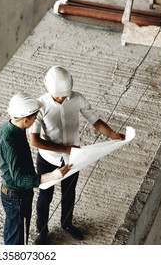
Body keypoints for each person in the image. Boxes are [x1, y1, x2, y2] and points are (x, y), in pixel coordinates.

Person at [30, 66, 125, 245]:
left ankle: (67, 224)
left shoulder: (77, 99)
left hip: (73, 158)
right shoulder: (40, 105)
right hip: (48, 159)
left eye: (65, 94)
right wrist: (64, 149)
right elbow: (34, 140)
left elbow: (95, 120)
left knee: (69, 193)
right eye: (59, 96)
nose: (63, 98)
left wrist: (112, 134)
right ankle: (42, 232)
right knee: (45, 197)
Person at [0, 92, 72, 245]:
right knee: (17, 239)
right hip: (17, 197)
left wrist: (6, 167)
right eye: (35, 118)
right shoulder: (11, 141)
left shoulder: (7, 127)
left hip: (12, 194)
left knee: (13, 230)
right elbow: (20, 179)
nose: (36, 120)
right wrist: (52, 176)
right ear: (26, 119)